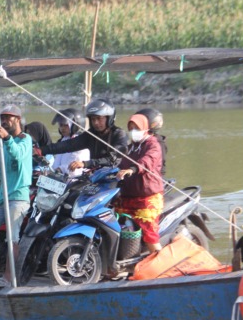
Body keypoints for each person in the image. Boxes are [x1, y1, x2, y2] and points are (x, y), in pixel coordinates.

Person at [0, 104, 33, 287]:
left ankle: (9, 278)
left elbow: (17, 155)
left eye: (8, 118)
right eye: (2, 118)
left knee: (12, 236)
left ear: (17, 119)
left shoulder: (25, 140)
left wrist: (7, 138)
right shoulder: (1, 142)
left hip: (18, 197)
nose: (4, 121)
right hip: (2, 197)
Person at [115, 113, 164, 254]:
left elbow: (148, 161)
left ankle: (159, 262)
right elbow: (119, 163)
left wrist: (132, 169)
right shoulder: (130, 147)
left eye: (136, 128)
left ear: (145, 128)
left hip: (147, 197)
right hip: (128, 197)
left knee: (149, 234)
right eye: (130, 129)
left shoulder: (153, 144)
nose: (133, 132)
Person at [37, 98, 128, 171]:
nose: (96, 122)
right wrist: (41, 150)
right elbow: (68, 145)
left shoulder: (119, 134)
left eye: (99, 118)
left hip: (114, 176)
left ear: (109, 118)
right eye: (93, 119)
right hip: (94, 175)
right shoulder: (91, 135)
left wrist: (85, 164)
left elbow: (113, 159)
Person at [49, 108, 90, 177]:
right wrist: (52, 170)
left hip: (76, 179)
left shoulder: (80, 141)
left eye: (66, 125)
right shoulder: (64, 139)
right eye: (61, 125)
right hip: (62, 177)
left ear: (75, 125)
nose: (62, 128)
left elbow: (73, 164)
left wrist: (60, 169)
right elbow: (57, 162)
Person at [135, 108, 168, 175]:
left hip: (151, 178)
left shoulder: (157, 143)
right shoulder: (139, 140)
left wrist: (133, 169)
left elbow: (149, 160)